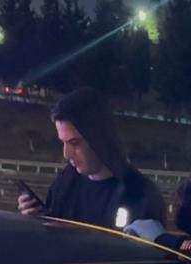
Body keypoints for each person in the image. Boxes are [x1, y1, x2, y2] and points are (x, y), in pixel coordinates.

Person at [16, 87, 165, 229]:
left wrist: (76, 234)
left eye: (75, 143)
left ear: (99, 138)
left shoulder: (140, 195)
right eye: (63, 142)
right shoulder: (65, 181)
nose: (66, 154)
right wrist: (37, 220)